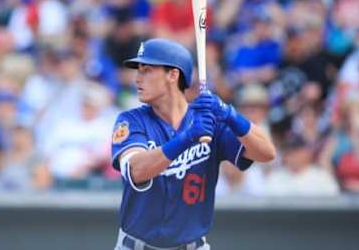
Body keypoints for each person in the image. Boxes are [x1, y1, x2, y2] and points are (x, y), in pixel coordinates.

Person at [111, 38, 276, 249]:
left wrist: (230, 114)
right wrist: (187, 138)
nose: (137, 78)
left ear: (173, 75)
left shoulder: (209, 122)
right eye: (138, 70)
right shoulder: (132, 120)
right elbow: (136, 170)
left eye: (147, 70)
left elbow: (267, 153)